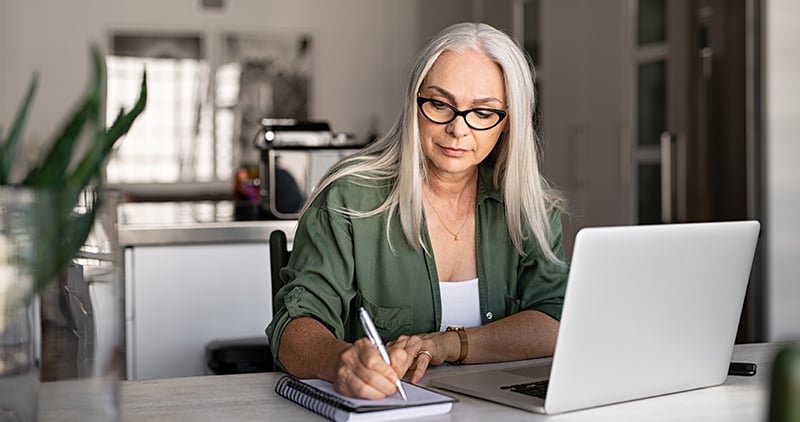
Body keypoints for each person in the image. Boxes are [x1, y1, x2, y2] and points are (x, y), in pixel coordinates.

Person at [266, 22, 568, 400]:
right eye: (440, 104)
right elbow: (294, 326)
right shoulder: (348, 198)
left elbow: (554, 321)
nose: (458, 129)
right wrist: (339, 361)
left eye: (483, 112)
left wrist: (446, 344)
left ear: (508, 123)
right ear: (414, 103)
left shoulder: (530, 206)